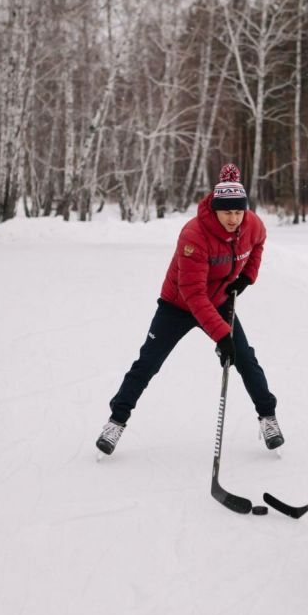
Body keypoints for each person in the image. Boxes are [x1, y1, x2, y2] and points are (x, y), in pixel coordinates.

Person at [96, 163, 284, 456]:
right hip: (179, 305)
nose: (233, 218)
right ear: (216, 209)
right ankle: (116, 421)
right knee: (147, 363)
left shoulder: (252, 224)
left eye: (238, 212)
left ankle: (267, 416)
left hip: (220, 300)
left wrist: (247, 276)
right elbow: (193, 294)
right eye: (227, 212)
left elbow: (258, 243)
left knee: (245, 359)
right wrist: (222, 336)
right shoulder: (194, 235)